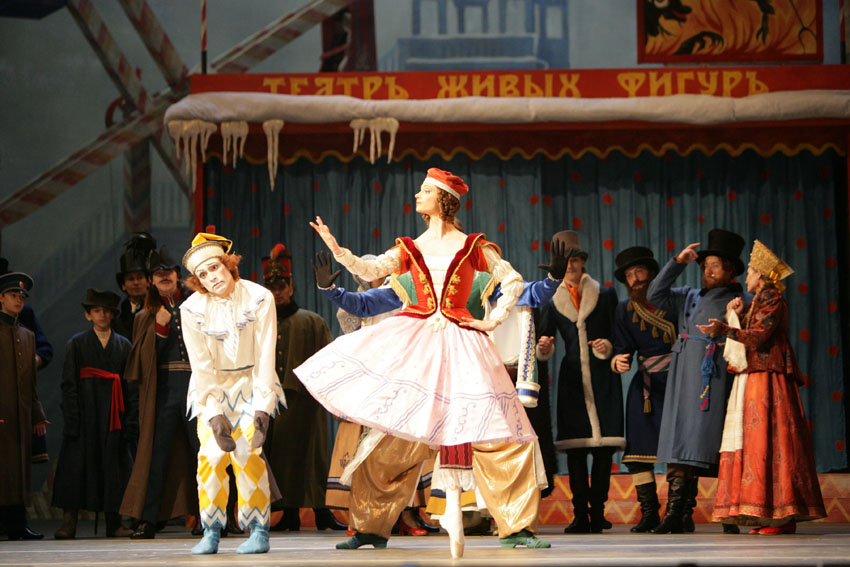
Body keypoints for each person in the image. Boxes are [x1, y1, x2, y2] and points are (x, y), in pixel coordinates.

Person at [297, 168, 536, 558]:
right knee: (391, 434)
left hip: (463, 340)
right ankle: (370, 526)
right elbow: (371, 270)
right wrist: (337, 249)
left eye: (425, 190)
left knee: (498, 432)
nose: (417, 195)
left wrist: (493, 320)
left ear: (443, 200)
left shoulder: (474, 246)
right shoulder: (409, 248)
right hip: (418, 341)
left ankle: (516, 525)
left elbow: (512, 281)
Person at [696, 240, 826, 534]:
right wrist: (736, 315)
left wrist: (724, 328)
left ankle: (781, 515)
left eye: (751, 272)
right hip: (755, 375)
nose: (746, 278)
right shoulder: (758, 301)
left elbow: (757, 337)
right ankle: (766, 515)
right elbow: (750, 332)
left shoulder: (773, 299)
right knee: (757, 443)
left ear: (763, 276)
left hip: (769, 376)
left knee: (771, 442)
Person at [180, 232, 285, 554]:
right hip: (212, 388)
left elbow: (266, 352)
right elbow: (200, 365)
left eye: (215, 268)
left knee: (248, 455)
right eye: (203, 274)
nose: (212, 277)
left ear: (228, 265)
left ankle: (258, 530)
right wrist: (214, 415)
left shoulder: (260, 297)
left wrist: (263, 406)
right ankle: (211, 529)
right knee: (211, 457)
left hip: (253, 383)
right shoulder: (191, 309)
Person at [646, 228, 748, 534]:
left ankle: (729, 515)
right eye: (705, 266)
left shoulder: (741, 299)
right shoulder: (688, 295)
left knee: (713, 441)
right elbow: (654, 295)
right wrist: (678, 262)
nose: (708, 271)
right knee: (681, 440)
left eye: (715, 266)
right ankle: (676, 514)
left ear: (730, 270)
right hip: (683, 373)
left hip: (713, 376)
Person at [537, 230, 622, 534]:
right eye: (565, 262)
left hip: (602, 379)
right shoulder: (552, 300)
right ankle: (579, 515)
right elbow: (544, 339)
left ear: (583, 262)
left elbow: (617, 336)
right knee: (575, 451)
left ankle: (597, 513)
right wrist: (544, 348)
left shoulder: (606, 295)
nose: (570, 266)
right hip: (572, 381)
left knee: (603, 451)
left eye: (574, 260)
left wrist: (606, 347)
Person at [260, 244, 345, 532]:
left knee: (313, 457)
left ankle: (322, 511)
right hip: (274, 401)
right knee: (281, 457)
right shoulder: (261, 325)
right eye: (271, 287)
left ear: (291, 288)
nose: (277, 292)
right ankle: (289, 513)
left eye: (281, 286)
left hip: (307, 402)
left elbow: (329, 361)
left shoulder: (311, 321)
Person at [121, 246, 199, 538]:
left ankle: (211, 517)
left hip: (196, 387)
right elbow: (141, 361)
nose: (164, 276)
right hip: (164, 390)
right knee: (156, 455)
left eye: (169, 272)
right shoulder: (146, 315)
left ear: (178, 275)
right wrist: (160, 329)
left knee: (204, 454)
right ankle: (149, 519)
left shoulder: (197, 306)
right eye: (158, 273)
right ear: (151, 280)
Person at [52, 289, 133, 539]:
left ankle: (114, 522)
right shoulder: (77, 343)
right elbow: (69, 383)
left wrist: (129, 419)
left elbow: (130, 385)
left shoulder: (123, 345)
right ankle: (69, 523)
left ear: (113, 315)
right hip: (85, 413)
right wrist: (73, 419)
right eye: (97, 311)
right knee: (75, 468)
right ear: (88, 315)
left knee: (113, 467)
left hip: (113, 414)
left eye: (107, 311)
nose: (102, 315)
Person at [610, 246, 676, 533]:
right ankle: (649, 512)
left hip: (676, 383)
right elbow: (622, 347)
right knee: (637, 452)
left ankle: (679, 512)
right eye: (629, 275)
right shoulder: (624, 310)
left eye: (639, 272)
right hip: (646, 387)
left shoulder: (675, 302)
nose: (635, 279)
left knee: (680, 450)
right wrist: (617, 360)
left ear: (651, 273)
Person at [0, 271, 47, 540]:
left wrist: (37, 414)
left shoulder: (27, 336)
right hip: (3, 411)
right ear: (1, 298)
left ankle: (17, 524)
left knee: (18, 469)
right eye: (13, 295)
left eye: (22, 296)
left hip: (21, 411)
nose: (18, 300)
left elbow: (30, 382)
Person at [113, 233, 157, 341]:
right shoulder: (118, 319)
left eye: (140, 277)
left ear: (148, 281)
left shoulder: (158, 309)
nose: (136, 282)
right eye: (131, 279)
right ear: (123, 285)